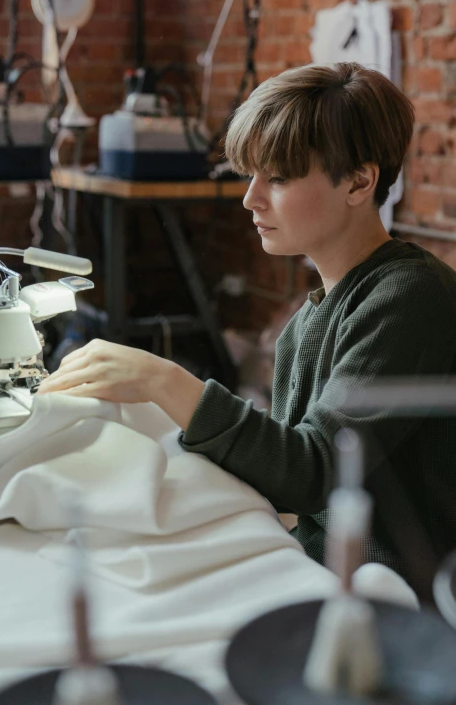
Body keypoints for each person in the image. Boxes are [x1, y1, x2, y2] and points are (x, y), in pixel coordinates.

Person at [39, 62, 456, 601]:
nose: (250, 198)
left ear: (359, 180)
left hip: (400, 599)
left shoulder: (410, 297)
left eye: (278, 178)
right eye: (251, 175)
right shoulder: (305, 324)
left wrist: (164, 380)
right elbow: (292, 485)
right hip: (322, 568)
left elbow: (312, 472)